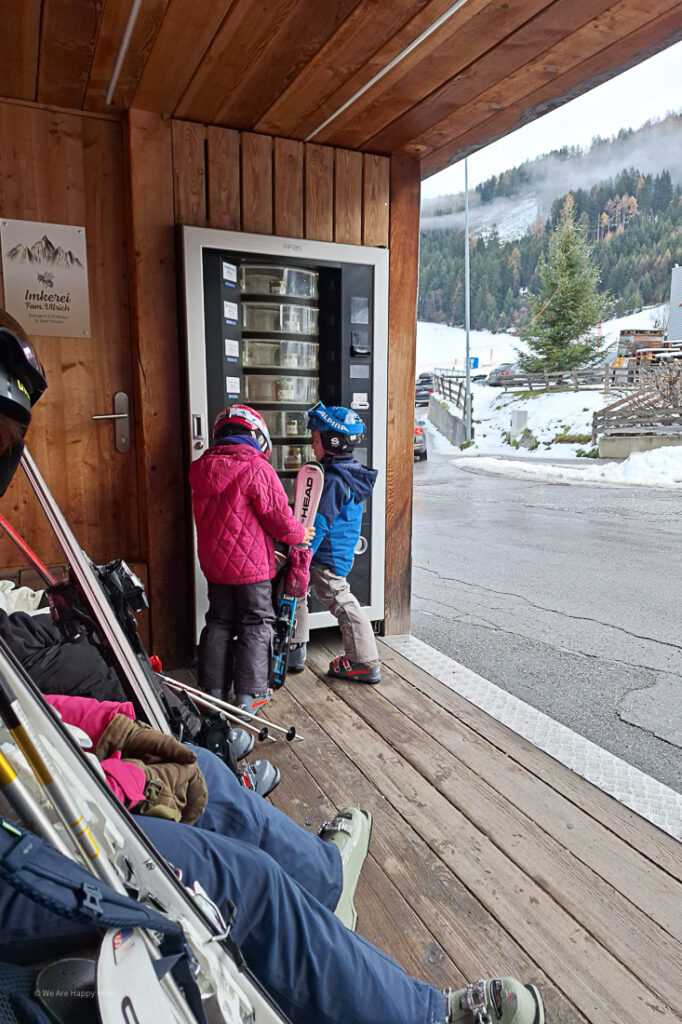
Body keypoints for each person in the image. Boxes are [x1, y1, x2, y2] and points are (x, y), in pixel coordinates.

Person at [0, 309, 545, 1024]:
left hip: (212, 575)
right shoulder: (259, 471)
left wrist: (112, 727)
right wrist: (297, 544)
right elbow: (290, 521)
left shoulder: (203, 471)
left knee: (216, 665)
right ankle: (253, 708)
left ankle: (310, 867)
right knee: (253, 641)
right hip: (249, 576)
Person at [189, 404, 315, 716]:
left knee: (218, 621)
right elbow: (278, 518)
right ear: (256, 436)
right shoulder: (257, 468)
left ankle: (213, 691)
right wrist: (300, 534)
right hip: (252, 569)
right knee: (256, 623)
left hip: (215, 567)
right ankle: (249, 696)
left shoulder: (201, 468)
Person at [289, 401, 382, 683]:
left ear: (332, 441)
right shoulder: (346, 472)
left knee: (340, 600)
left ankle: (363, 661)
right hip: (334, 552)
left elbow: (319, 523)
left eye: (316, 440)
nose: (312, 445)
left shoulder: (332, 481)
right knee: (298, 592)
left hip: (325, 555)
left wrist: (301, 556)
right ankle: (295, 650)